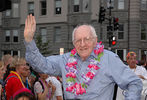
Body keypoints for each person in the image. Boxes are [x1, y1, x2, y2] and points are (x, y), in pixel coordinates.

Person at [24, 14, 142, 100]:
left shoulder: (108, 58)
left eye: (86, 39)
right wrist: (29, 41)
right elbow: (41, 65)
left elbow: (134, 83)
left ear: (95, 41)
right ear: (73, 43)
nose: (82, 44)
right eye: (78, 40)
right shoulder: (65, 60)